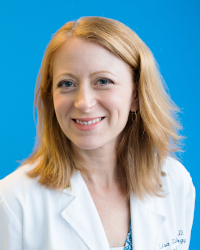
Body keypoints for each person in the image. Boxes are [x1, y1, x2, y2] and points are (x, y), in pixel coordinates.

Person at [0, 16, 195, 250]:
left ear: (136, 95)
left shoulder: (176, 182)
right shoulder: (11, 199)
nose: (83, 102)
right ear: (51, 97)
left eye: (103, 81)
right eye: (67, 84)